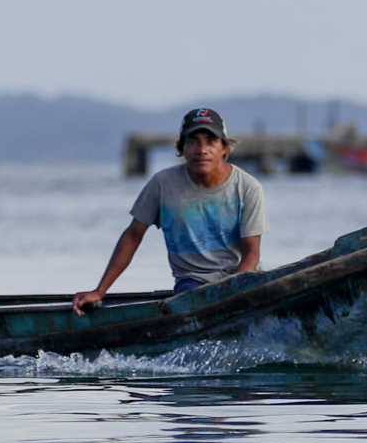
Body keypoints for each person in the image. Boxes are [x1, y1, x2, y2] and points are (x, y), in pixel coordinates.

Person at [73, 107, 267, 311]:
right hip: (193, 282)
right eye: (193, 142)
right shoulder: (163, 184)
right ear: (182, 149)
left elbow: (251, 252)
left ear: (224, 147)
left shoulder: (247, 187)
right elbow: (133, 235)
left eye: (211, 141)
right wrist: (99, 291)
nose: (202, 150)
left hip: (241, 279)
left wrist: (232, 293)